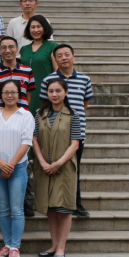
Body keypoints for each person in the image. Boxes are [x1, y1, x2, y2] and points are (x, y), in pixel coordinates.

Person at [0, 79, 35, 257]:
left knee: (17, 209)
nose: (10, 96)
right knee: (3, 209)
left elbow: (27, 142)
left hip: (18, 166)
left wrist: (11, 164)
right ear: (1, 95)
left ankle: (15, 247)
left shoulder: (26, 115)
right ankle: (6, 244)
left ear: (19, 94)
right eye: (6, 92)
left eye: (13, 92)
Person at [40, 44, 93, 218]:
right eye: (59, 55)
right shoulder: (49, 79)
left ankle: (76, 203)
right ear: (55, 59)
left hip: (76, 132)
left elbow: (84, 104)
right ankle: (53, 202)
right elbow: (44, 105)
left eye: (67, 54)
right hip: (53, 131)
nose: (63, 58)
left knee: (73, 169)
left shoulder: (84, 79)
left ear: (73, 57)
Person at [33, 78, 81, 257]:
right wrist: (42, 162)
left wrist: (58, 163)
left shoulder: (73, 115)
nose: (54, 94)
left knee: (64, 208)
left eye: (58, 91)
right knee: (51, 208)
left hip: (65, 167)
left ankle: (61, 247)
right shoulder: (40, 114)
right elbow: (34, 139)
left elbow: (75, 144)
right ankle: (53, 245)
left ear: (66, 92)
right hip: (44, 167)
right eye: (51, 91)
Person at [20, 15, 58, 115]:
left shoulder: (52, 47)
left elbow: (57, 73)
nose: (36, 30)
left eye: (39, 26)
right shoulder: (24, 49)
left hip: (44, 90)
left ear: (45, 28)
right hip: (25, 91)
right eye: (33, 27)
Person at [0, 37, 36, 112]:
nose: (7, 50)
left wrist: (25, 112)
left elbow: (28, 96)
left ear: (17, 49)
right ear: (0, 51)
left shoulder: (28, 71)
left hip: (22, 115)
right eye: (4, 47)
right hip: (1, 115)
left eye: (11, 47)